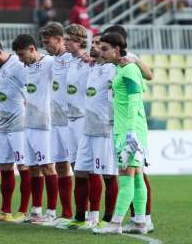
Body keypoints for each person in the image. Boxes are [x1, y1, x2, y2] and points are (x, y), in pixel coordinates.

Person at [93, 30, 149, 235]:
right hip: (128, 130)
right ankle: (140, 222)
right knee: (136, 177)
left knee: (125, 176)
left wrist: (130, 132)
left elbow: (135, 99)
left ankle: (115, 223)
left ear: (118, 49)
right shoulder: (121, 68)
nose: (102, 52)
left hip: (129, 131)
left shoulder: (129, 70)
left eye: (105, 49)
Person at [68, 32, 119, 230]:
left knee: (107, 175)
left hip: (104, 129)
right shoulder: (91, 67)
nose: (94, 47)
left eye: (99, 44)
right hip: (87, 129)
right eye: (94, 43)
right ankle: (80, 216)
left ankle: (104, 219)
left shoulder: (113, 69)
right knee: (80, 172)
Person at [0, 39, 32, 223]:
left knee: (23, 166)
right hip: (2, 123)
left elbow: (31, 86)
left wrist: (28, 103)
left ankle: (24, 210)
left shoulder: (17, 66)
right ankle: (5, 211)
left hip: (19, 121)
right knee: (5, 167)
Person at [12, 33, 58, 224]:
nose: (21, 60)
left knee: (47, 166)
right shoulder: (26, 68)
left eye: (22, 55)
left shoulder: (50, 63)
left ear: (32, 49)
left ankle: (51, 212)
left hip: (44, 124)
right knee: (32, 168)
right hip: (28, 124)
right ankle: (36, 210)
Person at [52, 24, 91, 229]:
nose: (64, 42)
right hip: (70, 121)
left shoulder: (90, 62)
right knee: (77, 169)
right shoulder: (71, 61)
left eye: (68, 39)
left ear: (79, 40)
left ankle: (94, 215)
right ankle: (79, 215)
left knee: (90, 170)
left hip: (85, 120)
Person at [38, 22, 74, 226]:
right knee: (61, 166)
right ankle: (67, 213)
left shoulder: (74, 58)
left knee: (79, 167)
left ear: (60, 39)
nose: (45, 45)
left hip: (73, 121)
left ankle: (85, 213)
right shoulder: (51, 61)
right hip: (56, 122)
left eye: (47, 41)